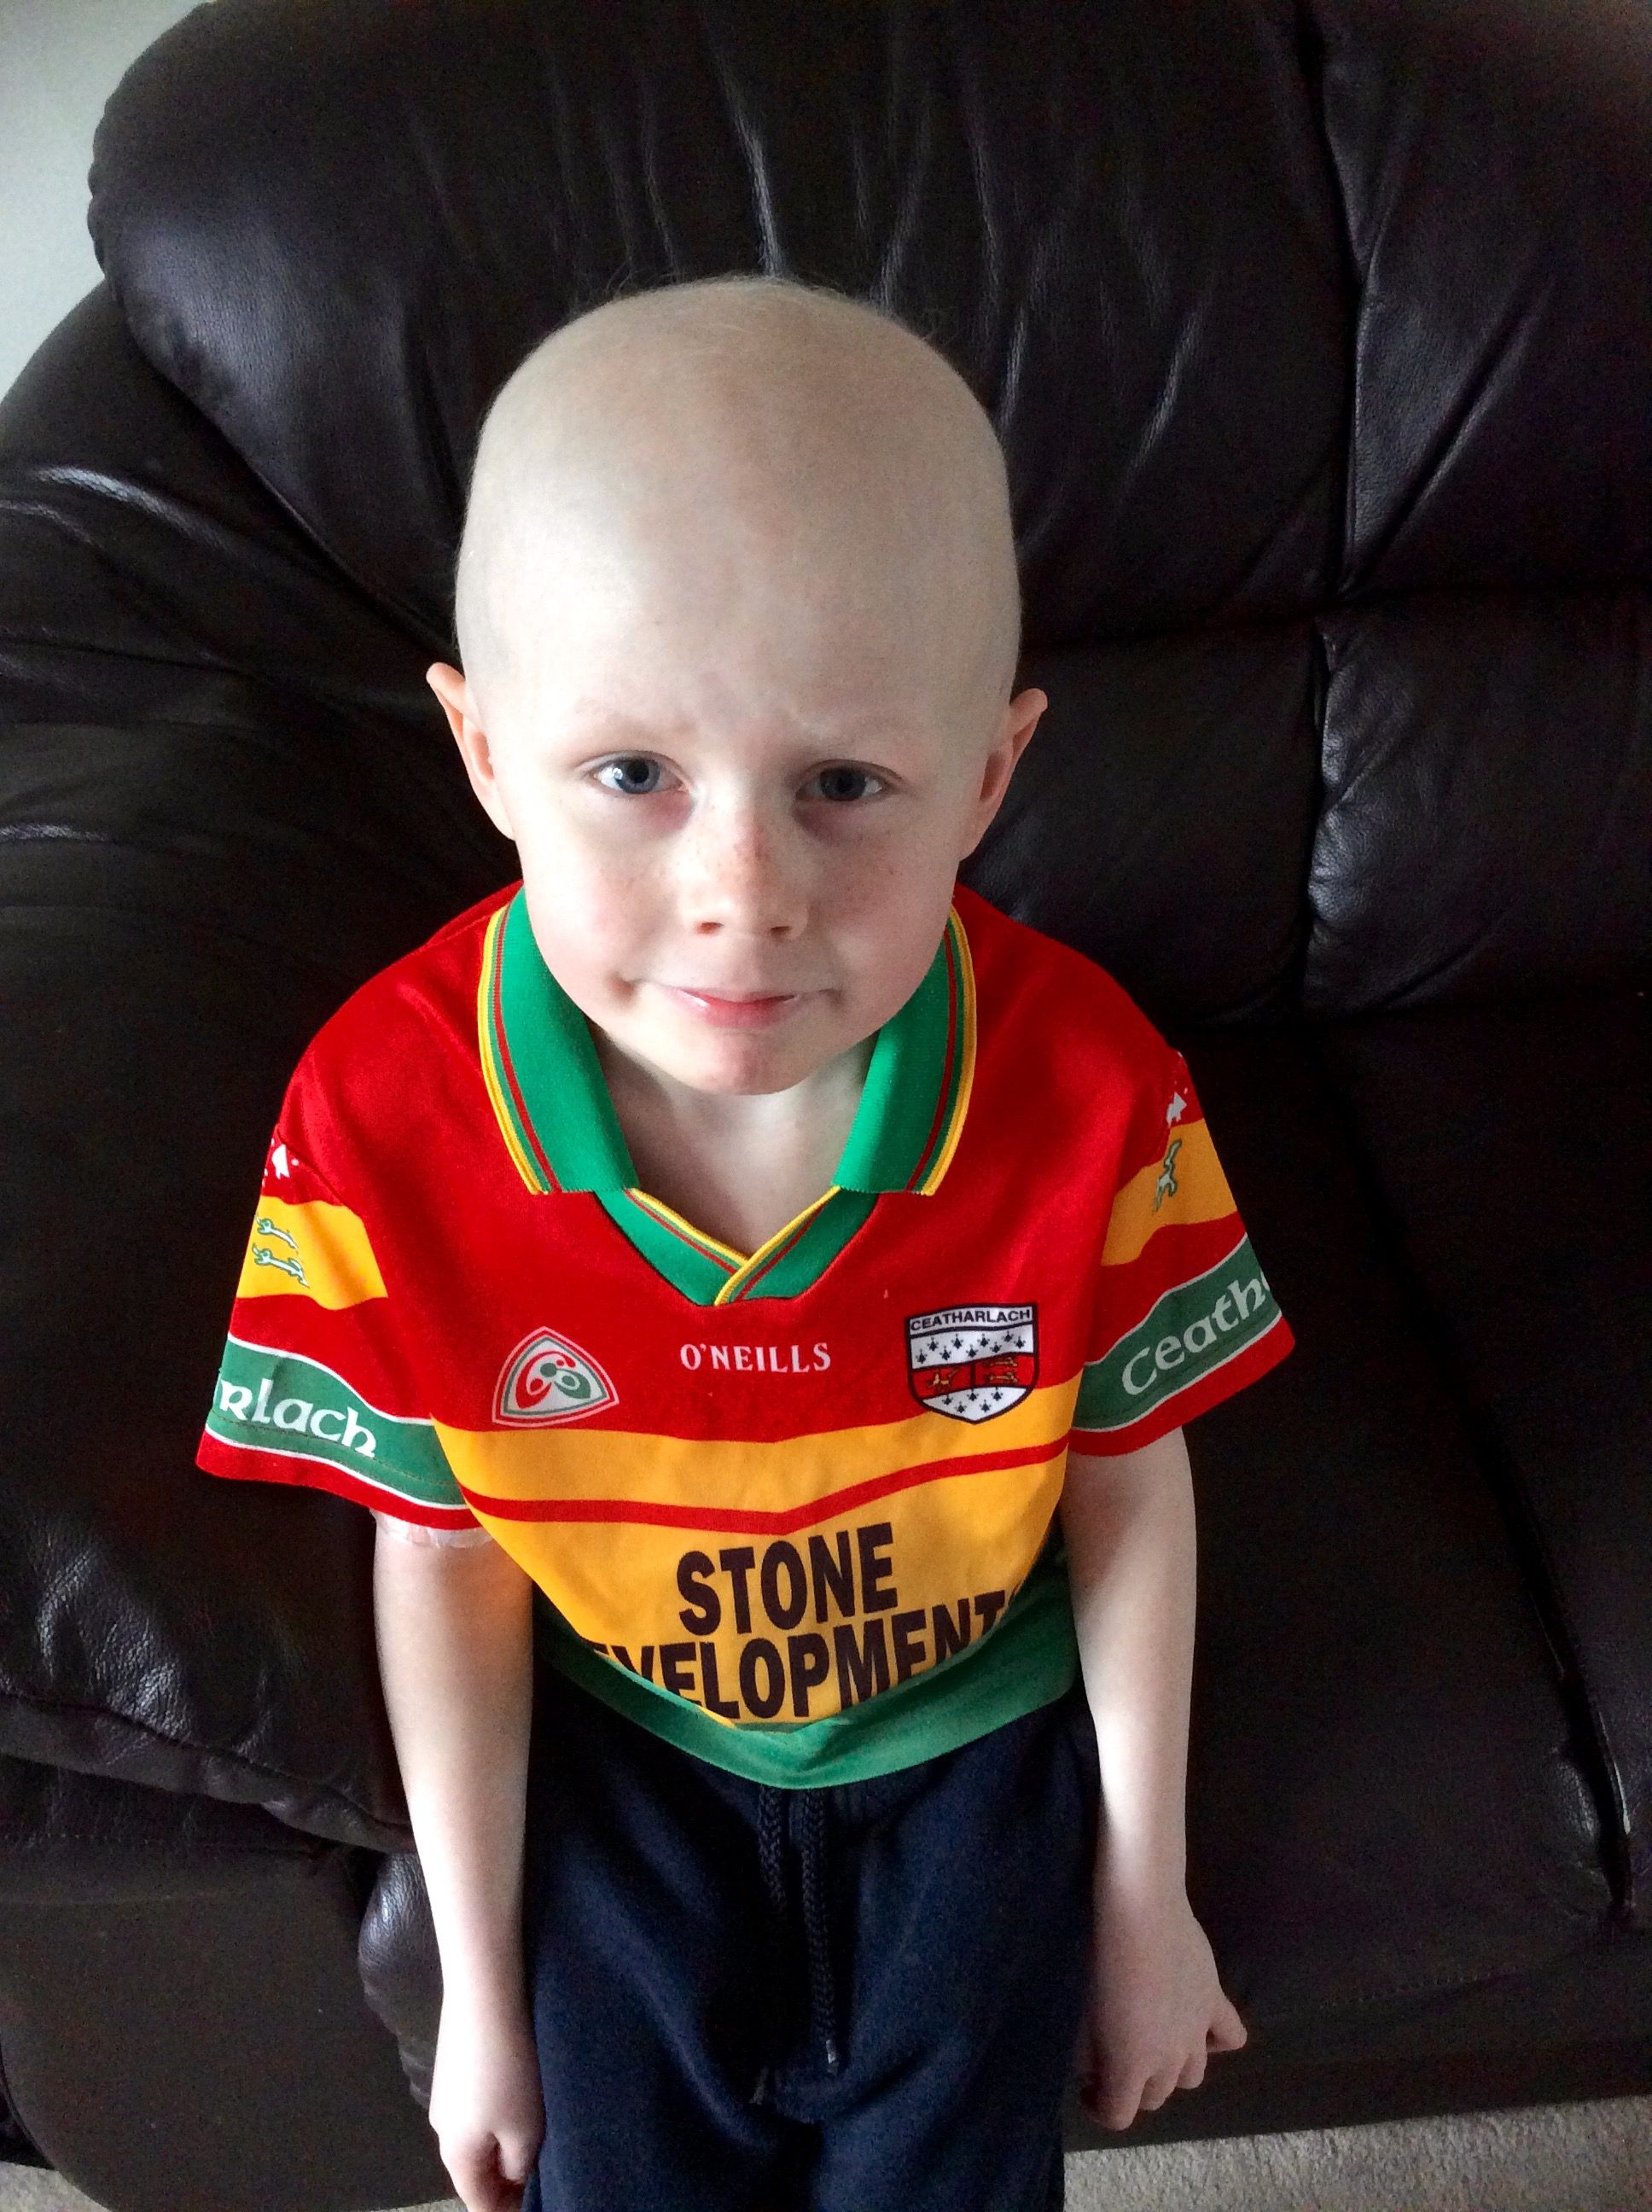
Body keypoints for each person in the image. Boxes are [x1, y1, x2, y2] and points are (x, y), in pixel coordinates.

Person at [195, 271, 1295, 2212]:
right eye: (632, 775)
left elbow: (1129, 1476)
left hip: (974, 1750)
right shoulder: (375, 1121)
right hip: (624, 1764)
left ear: (987, 775)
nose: (744, 896)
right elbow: (439, 1555)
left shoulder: (1089, 1084)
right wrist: (480, 1994)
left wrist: (1148, 1898)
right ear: (484, 752)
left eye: (843, 785)